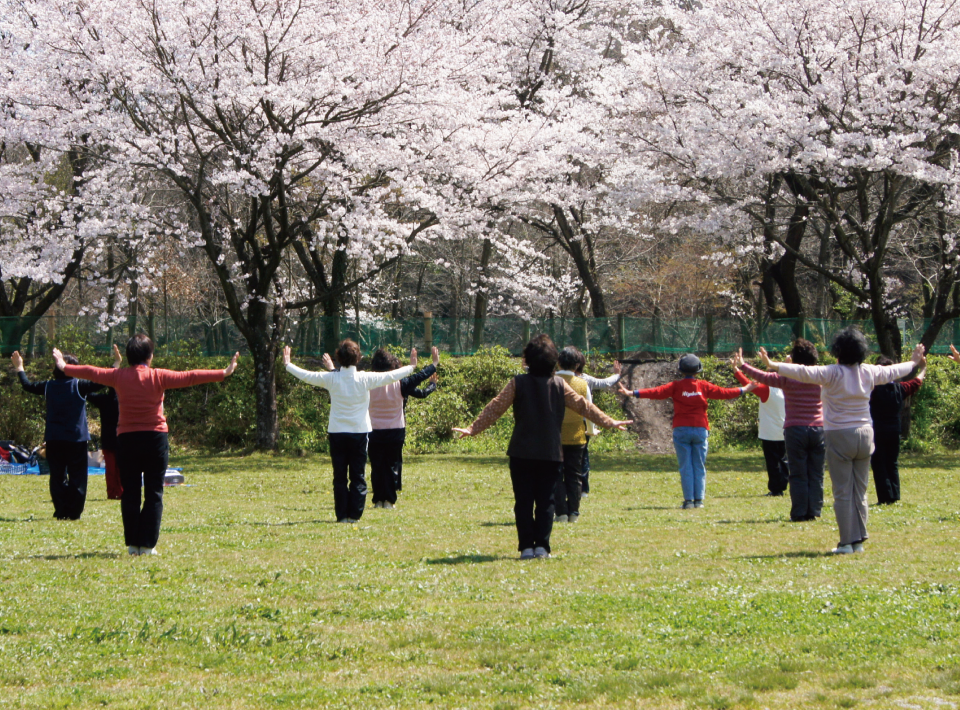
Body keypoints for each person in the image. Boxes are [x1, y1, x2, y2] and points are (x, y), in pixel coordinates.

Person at [55, 335, 239, 556]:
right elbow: (189, 377)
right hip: (155, 440)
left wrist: (65, 367)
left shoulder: (118, 376)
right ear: (149, 356)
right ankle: (148, 545)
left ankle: (133, 544)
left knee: (130, 492)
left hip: (127, 441)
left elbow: (92, 372)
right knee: (153, 492)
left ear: (130, 356)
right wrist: (223, 373)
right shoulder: (158, 376)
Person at [453, 335, 631, 560]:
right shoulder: (559, 384)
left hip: (521, 452)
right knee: (546, 501)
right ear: (553, 362)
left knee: (524, 501)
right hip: (550, 452)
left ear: (527, 360)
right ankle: (542, 548)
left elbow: (496, 407)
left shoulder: (518, 382)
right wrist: (610, 421)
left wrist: (473, 428)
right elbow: (584, 406)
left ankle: (527, 547)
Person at [759, 326, 925, 554]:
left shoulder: (831, 372)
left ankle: (847, 542)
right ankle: (859, 539)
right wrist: (914, 362)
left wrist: (774, 365)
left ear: (838, 351)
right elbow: (895, 371)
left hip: (839, 435)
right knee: (860, 489)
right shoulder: (869, 372)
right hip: (866, 434)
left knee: (843, 491)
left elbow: (803, 373)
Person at [283, 340, 416, 523]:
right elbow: (391, 376)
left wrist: (288, 365)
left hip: (337, 433)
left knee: (339, 476)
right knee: (357, 475)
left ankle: (342, 516)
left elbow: (307, 375)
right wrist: (411, 367)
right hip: (359, 433)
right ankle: (354, 515)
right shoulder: (364, 378)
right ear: (358, 358)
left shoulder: (332, 378)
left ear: (338, 358)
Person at [617, 353, 754, 509]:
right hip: (701, 429)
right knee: (699, 466)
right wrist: (744, 389)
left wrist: (633, 392)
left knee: (685, 467)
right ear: (698, 371)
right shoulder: (704, 386)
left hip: (681, 429)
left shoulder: (676, 386)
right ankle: (699, 501)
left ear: (681, 370)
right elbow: (724, 393)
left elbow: (656, 392)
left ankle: (689, 501)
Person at [736, 340, 826, 522]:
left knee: (798, 473)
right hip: (819, 429)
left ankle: (800, 512)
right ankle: (814, 511)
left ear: (795, 360)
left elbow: (761, 377)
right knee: (816, 473)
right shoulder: (823, 376)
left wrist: (743, 365)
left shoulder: (787, 379)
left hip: (795, 430)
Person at [11, 350, 104, 520]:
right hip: (76, 439)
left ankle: (61, 511)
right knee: (78, 477)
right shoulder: (79, 385)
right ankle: (74, 512)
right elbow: (101, 382)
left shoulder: (48, 386)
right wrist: (115, 366)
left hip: (54, 438)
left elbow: (27, 385)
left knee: (57, 476)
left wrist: (20, 368)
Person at [367, 346, 440, 509]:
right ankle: (389, 501)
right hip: (395, 430)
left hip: (373, 430)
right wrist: (434, 364)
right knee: (392, 465)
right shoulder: (401, 383)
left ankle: (378, 500)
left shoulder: (367, 383)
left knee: (377, 466)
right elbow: (419, 377)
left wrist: (331, 368)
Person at [730, 351, 788, 497]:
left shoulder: (766, 390)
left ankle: (776, 489)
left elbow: (748, 384)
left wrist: (737, 370)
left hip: (770, 433)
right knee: (784, 460)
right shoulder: (787, 388)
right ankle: (784, 484)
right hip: (786, 430)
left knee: (773, 462)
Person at [869, 356, 925, 505]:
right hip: (894, 430)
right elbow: (917, 382)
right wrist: (923, 368)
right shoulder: (900, 388)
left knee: (879, 463)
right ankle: (894, 494)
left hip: (877, 430)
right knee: (892, 462)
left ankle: (884, 496)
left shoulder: (872, 390)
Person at [576, 356, 621, 497]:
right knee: (582, 454)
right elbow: (605, 383)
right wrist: (617, 375)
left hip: (565, 422)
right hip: (584, 422)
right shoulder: (586, 379)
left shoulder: (559, 378)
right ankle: (583, 488)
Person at [554, 347, 589, 523]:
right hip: (576, 436)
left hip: (554, 437)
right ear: (577, 365)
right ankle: (574, 512)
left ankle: (560, 513)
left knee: (556, 475)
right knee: (575, 475)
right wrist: (590, 429)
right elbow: (588, 410)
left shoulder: (550, 382)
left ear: (558, 363)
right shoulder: (582, 384)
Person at [87, 344, 124, 500]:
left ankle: (111, 492)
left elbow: (87, 392)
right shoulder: (125, 399)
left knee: (110, 468)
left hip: (108, 439)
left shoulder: (103, 400)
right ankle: (122, 491)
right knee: (123, 468)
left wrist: (113, 366)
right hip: (123, 437)